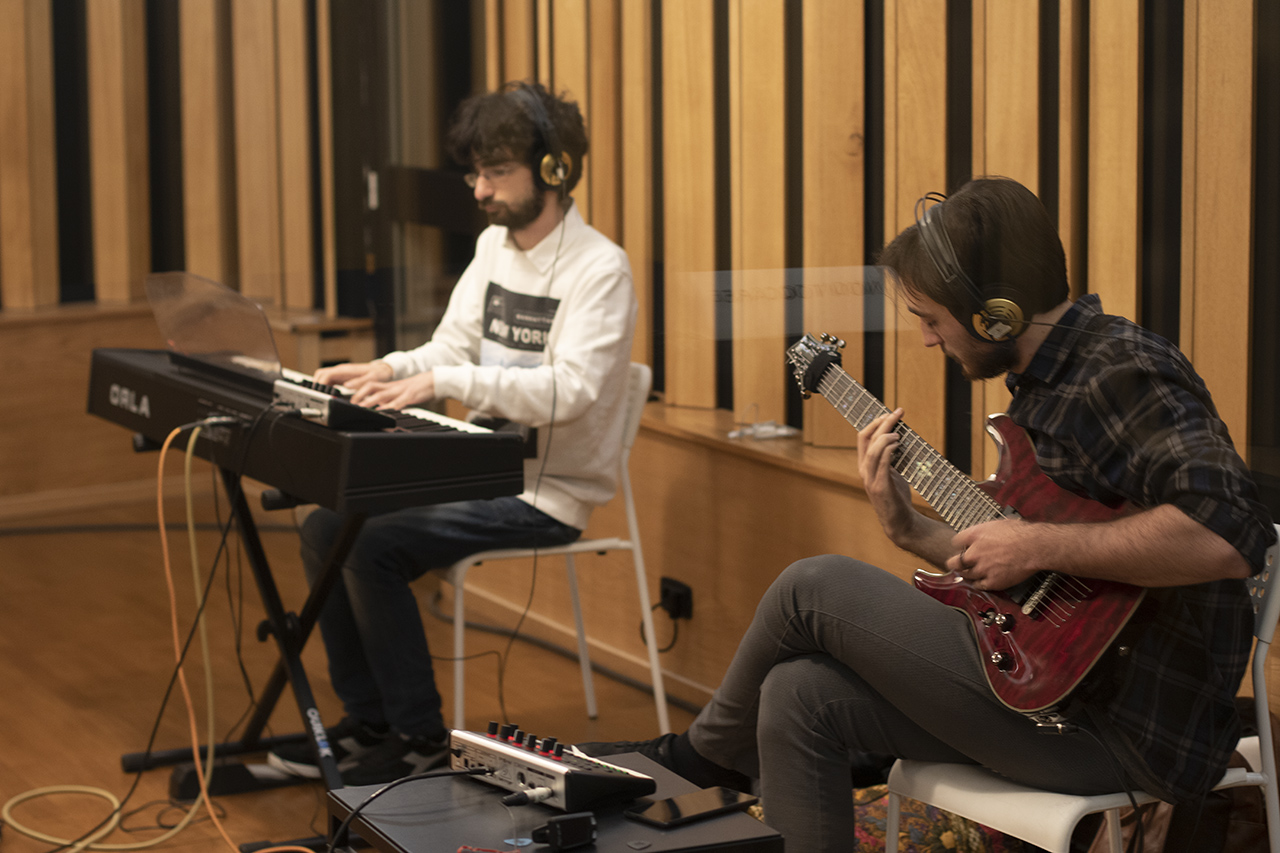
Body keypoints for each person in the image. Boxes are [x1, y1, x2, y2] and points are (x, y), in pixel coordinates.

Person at [578, 177, 1275, 851]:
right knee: (797, 693)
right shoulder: (1042, 391)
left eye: (931, 319)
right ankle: (713, 757)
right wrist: (910, 530)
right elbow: (1044, 590)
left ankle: (698, 758)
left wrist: (1035, 543)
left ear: (995, 315)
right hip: (1058, 691)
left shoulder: (1123, 370)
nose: (926, 340)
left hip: (1131, 727)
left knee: (810, 586)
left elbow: (1226, 534)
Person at [269, 81, 637, 786]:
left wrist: (449, 381)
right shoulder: (493, 247)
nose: (480, 190)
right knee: (325, 526)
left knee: (371, 543)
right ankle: (369, 721)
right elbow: (452, 346)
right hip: (479, 470)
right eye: (475, 173)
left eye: (496, 172)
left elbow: (571, 391)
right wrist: (389, 368)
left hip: (546, 494)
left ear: (554, 169)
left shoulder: (600, 269)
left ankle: (418, 737)